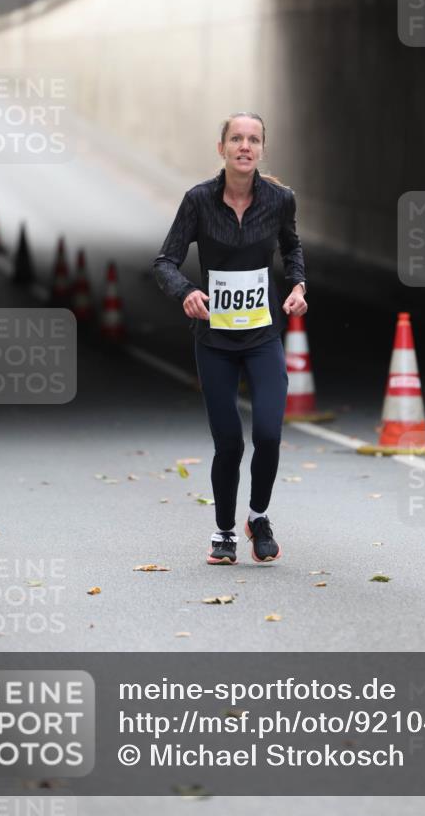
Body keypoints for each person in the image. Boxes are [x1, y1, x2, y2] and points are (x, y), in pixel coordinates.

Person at [152, 112, 307, 566]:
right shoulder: (198, 201)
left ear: (262, 149)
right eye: (236, 139)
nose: (245, 146)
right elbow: (165, 260)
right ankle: (223, 533)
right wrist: (186, 292)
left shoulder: (280, 200)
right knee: (229, 444)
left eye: (253, 139)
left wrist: (298, 286)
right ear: (221, 148)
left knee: (269, 434)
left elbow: (293, 246)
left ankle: (258, 518)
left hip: (262, 335)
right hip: (215, 339)